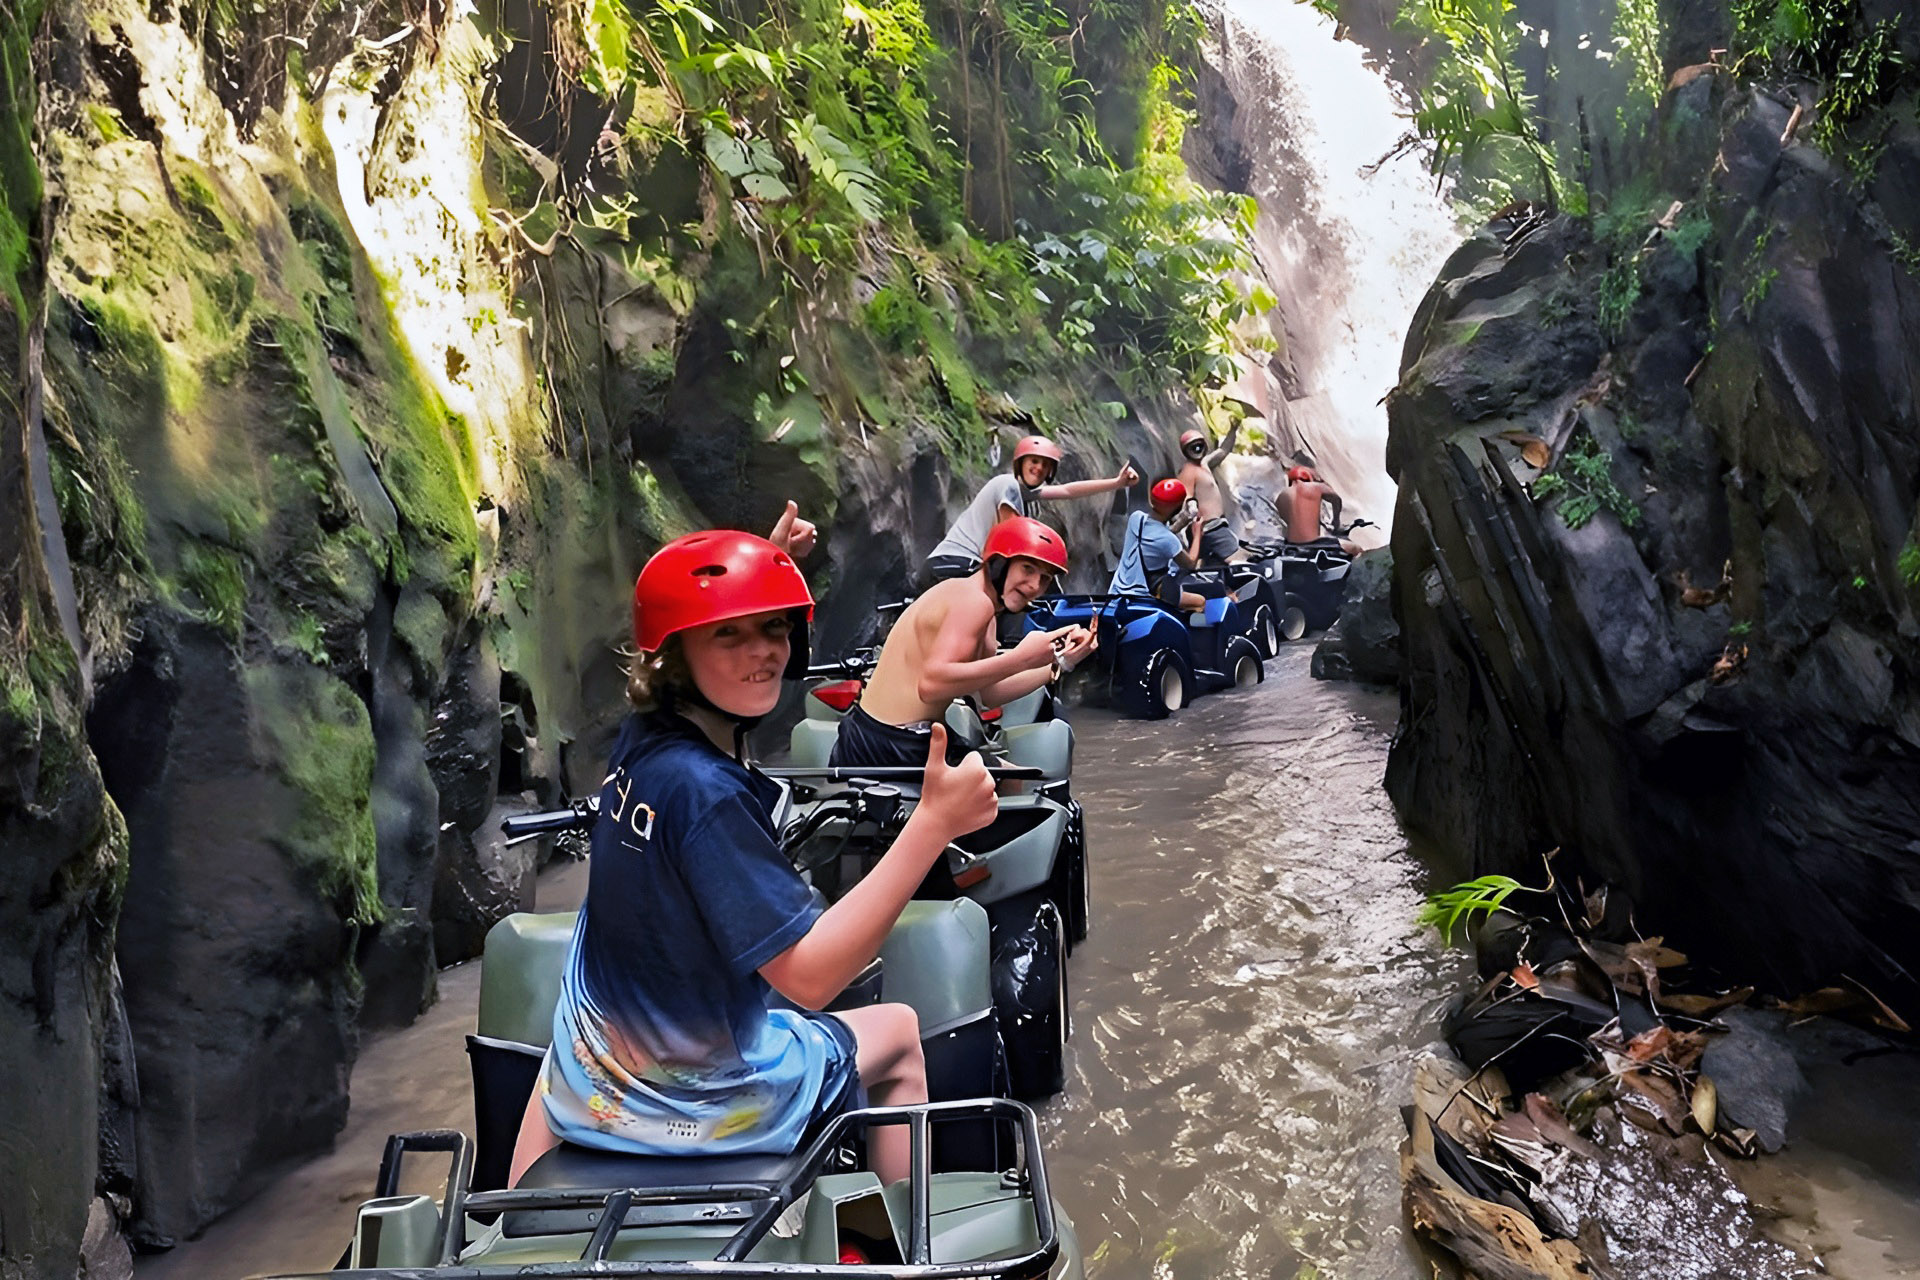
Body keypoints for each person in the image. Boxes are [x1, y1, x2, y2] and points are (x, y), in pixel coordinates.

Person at [509, 528, 1001, 1189]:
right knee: (902, 1032)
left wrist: (754, 582)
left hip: (595, 1072)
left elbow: (700, 642)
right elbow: (812, 978)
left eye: (774, 629)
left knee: (567, 1032)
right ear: (677, 651)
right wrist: (934, 824)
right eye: (729, 635)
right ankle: (897, 1245)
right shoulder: (708, 797)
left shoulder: (642, 740)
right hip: (702, 1104)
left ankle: (499, 1227)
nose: (763, 653)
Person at [836, 517, 1097, 770]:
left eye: (1045, 578)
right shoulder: (973, 601)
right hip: (891, 744)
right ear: (998, 563)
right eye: (1027, 569)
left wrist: (1060, 661)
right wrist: (1021, 658)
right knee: (1005, 782)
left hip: (882, 736)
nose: (1034, 586)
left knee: (1010, 777)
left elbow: (987, 694)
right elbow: (932, 685)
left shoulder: (984, 608)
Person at [925, 435, 1139, 582]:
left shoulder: (1020, 490)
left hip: (950, 563)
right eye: (1034, 461)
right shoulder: (1008, 485)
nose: (1039, 468)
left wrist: (1116, 483)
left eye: (1046, 465)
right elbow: (1013, 538)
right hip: (959, 564)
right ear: (1020, 463)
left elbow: (1066, 491)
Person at [1111, 479, 1206, 613]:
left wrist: (1181, 523)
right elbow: (1190, 564)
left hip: (1118, 591)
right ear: (1177, 507)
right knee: (1200, 602)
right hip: (1143, 594)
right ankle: (1197, 629)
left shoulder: (1136, 519)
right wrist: (1197, 535)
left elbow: (1157, 538)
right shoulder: (1168, 540)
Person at [1175, 424, 1241, 565]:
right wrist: (1182, 530)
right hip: (1209, 529)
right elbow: (1183, 502)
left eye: (1199, 445)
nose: (1197, 449)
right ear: (1185, 451)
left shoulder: (1204, 464)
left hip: (1213, 528)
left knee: (1212, 570)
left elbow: (1223, 451)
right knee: (1239, 561)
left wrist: (1233, 428)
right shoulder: (1188, 472)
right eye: (1192, 446)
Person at [1281, 465, 1358, 555]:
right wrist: (1336, 520)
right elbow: (1336, 499)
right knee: (1356, 548)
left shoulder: (1282, 495)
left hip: (1291, 546)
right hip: (1315, 544)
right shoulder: (1316, 487)